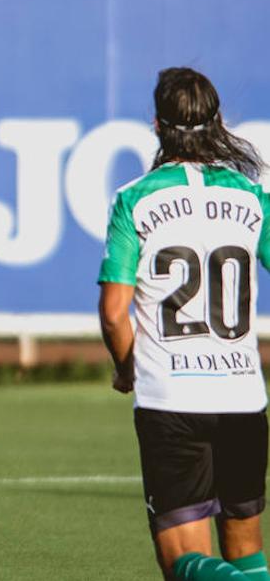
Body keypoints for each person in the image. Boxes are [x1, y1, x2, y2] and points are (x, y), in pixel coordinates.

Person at [98, 67, 269, 581]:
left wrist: (129, 369)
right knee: (246, 551)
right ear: (218, 123)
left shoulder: (135, 199)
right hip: (243, 397)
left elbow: (113, 313)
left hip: (172, 399)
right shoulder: (250, 197)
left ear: (156, 125)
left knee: (182, 564)